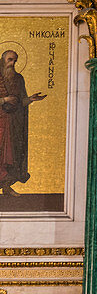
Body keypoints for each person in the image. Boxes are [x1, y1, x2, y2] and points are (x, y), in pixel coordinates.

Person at [0, 50, 46, 196]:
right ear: (3, 60)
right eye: (10, 60)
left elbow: (21, 101)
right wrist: (4, 100)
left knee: (11, 155)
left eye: (15, 61)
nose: (12, 64)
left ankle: (6, 187)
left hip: (13, 124)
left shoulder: (19, 79)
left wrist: (31, 99)